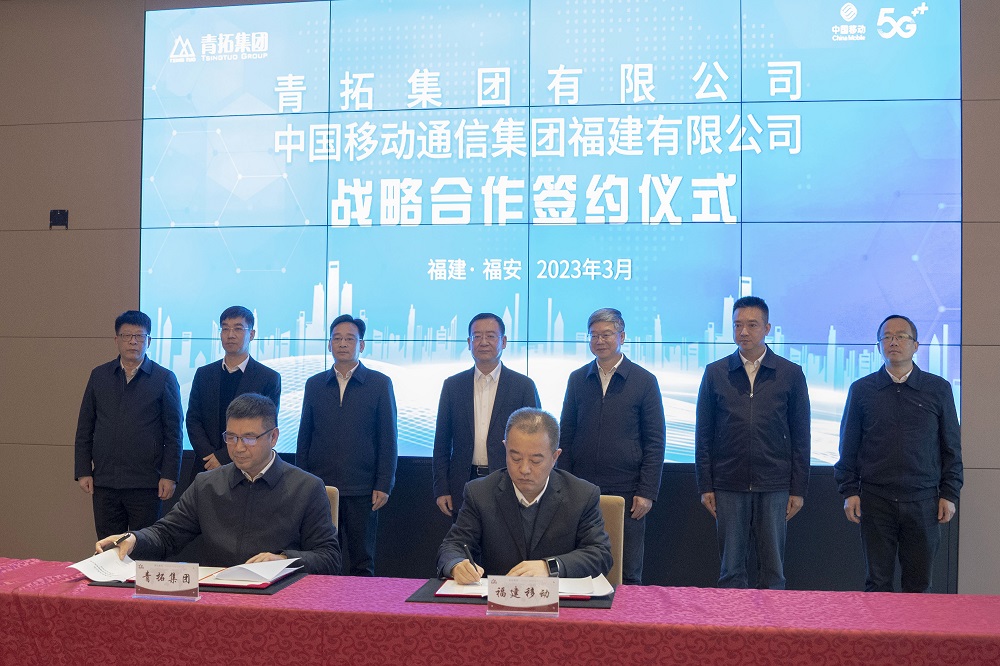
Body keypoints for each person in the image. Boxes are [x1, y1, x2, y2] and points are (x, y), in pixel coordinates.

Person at [96, 393, 340, 575]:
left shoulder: (307, 488)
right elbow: (167, 534)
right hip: (216, 596)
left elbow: (329, 558)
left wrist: (283, 560)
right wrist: (134, 539)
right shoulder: (207, 484)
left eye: (249, 438)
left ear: (273, 436)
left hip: (278, 598)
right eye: (231, 437)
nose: (238, 447)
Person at [835, 314, 962, 593]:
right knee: (877, 584)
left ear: (915, 345)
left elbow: (951, 447)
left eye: (901, 336)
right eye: (887, 337)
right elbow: (849, 446)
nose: (893, 342)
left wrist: (949, 494)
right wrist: (849, 491)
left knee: (919, 585)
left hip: (923, 501)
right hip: (876, 500)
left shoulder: (938, 389)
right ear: (879, 346)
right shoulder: (862, 390)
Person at [695, 296, 811, 590]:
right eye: (737, 325)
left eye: (752, 325)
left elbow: (801, 436)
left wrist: (798, 489)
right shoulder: (716, 373)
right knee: (731, 571)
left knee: (773, 571)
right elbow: (704, 434)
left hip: (774, 484)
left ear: (767, 328)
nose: (743, 332)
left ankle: (771, 621)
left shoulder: (790, 373)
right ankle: (732, 620)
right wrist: (705, 485)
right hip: (728, 483)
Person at [437, 408, 612, 582]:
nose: (524, 469)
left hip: (559, 597)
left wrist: (550, 567)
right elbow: (453, 545)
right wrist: (456, 564)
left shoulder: (581, 495)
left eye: (535, 460)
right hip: (499, 596)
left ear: (555, 457)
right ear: (505, 448)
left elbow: (600, 554)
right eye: (516, 458)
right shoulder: (480, 492)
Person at [558, 308, 665, 585]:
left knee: (627, 570)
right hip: (582, 489)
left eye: (606, 334)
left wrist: (647, 491)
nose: (599, 341)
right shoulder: (577, 379)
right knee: (581, 567)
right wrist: (564, 484)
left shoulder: (644, 381)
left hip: (627, 490)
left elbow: (655, 441)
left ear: (622, 336)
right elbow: (566, 435)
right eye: (594, 335)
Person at [297, 314, 397, 576]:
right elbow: (304, 437)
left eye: (350, 339)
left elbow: (388, 438)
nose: (342, 344)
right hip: (321, 487)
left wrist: (384, 483)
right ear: (329, 344)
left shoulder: (379, 383)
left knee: (362, 559)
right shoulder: (314, 384)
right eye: (337, 338)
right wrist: (302, 481)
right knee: (324, 557)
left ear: (361, 345)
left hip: (362, 488)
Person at [75, 310, 183, 539]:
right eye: (126, 336)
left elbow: (174, 433)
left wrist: (169, 475)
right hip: (105, 481)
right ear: (117, 340)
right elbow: (85, 426)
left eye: (139, 336)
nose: (133, 341)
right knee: (107, 548)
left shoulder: (163, 378)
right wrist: (83, 470)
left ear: (149, 341)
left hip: (146, 483)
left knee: (144, 547)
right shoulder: (99, 376)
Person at [432, 313, 540, 520]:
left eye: (490, 336)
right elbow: (442, 442)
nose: (483, 342)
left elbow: (535, 440)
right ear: (469, 342)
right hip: (463, 483)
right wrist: (442, 488)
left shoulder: (523, 386)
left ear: (503, 341)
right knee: (466, 539)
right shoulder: (453, 386)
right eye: (477, 336)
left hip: (510, 482)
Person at [186, 305, 281, 478]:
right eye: (225, 328)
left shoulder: (268, 377)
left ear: (251, 334)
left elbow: (266, 425)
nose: (230, 335)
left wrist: (222, 458)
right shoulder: (204, 374)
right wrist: (209, 456)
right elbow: (193, 419)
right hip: (205, 466)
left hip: (247, 467)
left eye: (238, 328)